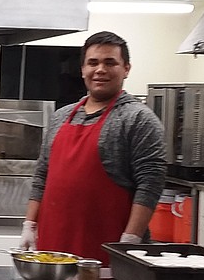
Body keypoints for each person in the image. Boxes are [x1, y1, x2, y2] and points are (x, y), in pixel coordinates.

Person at [21, 30, 165, 264]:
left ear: (126, 68)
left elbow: (150, 185)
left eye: (110, 63)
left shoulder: (139, 119)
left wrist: (129, 241)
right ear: (82, 69)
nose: (100, 70)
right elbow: (42, 176)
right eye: (93, 63)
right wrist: (29, 224)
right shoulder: (61, 117)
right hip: (52, 247)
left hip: (106, 251)